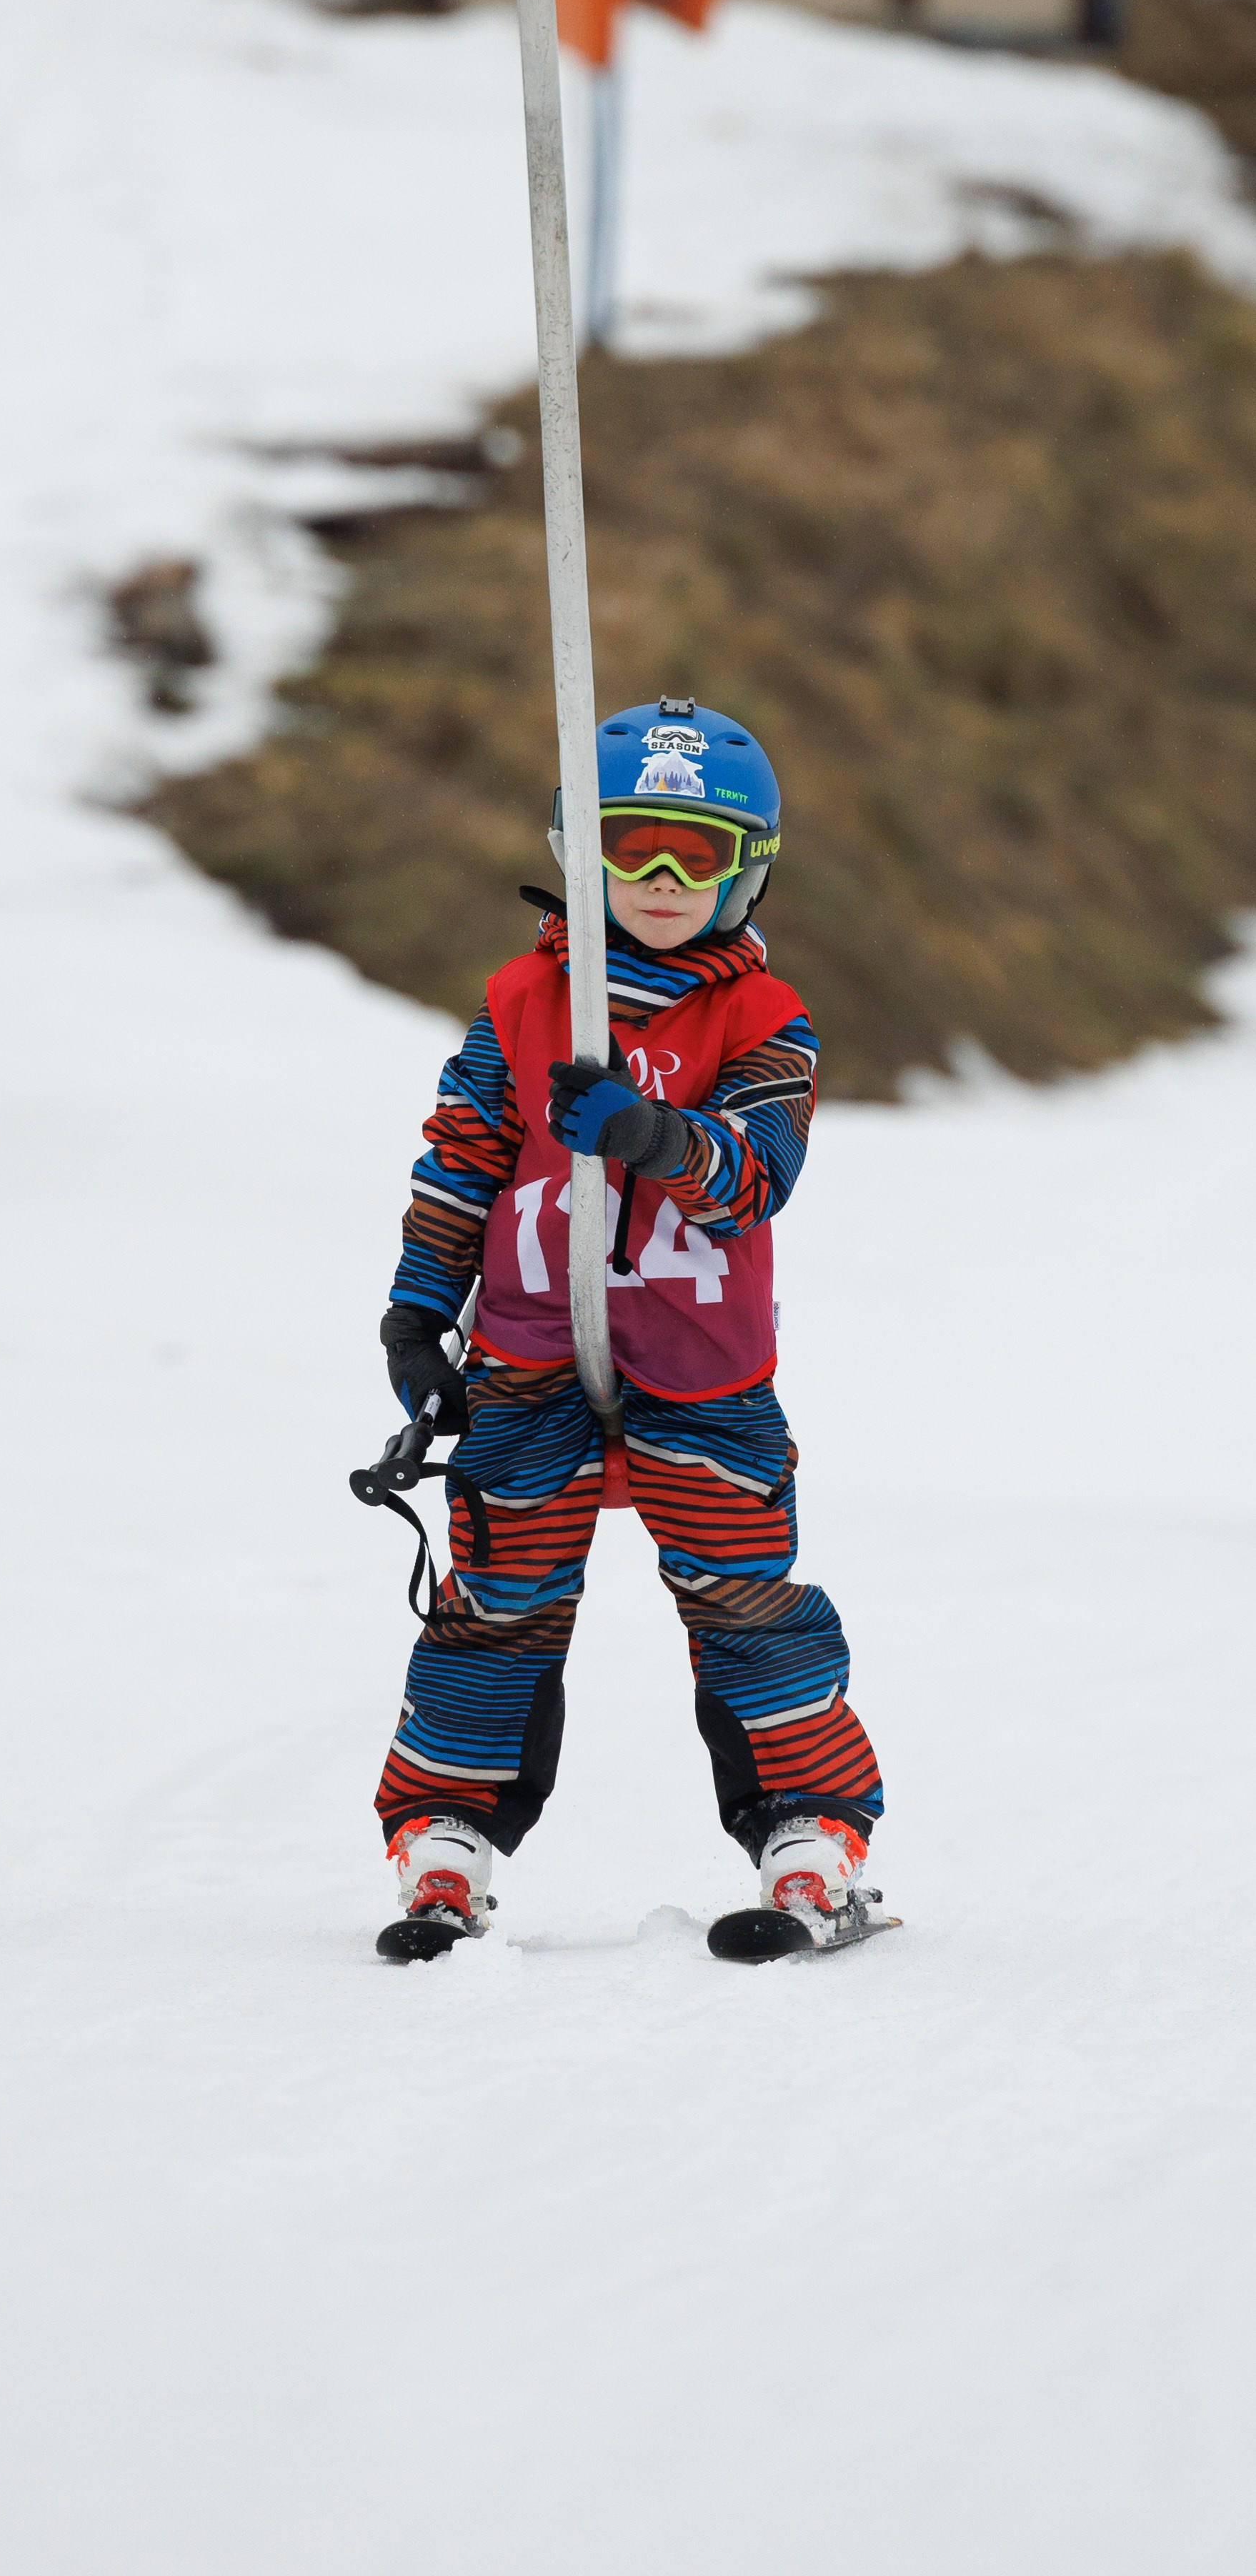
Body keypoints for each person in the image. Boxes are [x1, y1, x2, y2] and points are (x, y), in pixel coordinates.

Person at [373, 698, 882, 1960]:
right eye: (630, 845)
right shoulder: (518, 1004)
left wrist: (654, 1137)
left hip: (701, 1372)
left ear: (747, 871)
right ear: (577, 852)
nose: (659, 877)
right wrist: (419, 1312)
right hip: (529, 1357)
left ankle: (811, 1831)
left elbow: (756, 1174)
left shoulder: (765, 1023)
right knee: (498, 1600)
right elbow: (462, 1159)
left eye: (696, 854)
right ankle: (447, 1836)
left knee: (741, 1595)